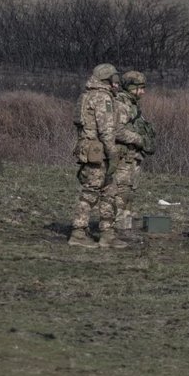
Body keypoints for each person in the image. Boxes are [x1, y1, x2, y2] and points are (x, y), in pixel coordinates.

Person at [68, 63, 123, 248]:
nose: (117, 83)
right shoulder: (102, 97)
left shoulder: (87, 95)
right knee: (91, 192)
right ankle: (78, 232)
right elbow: (106, 131)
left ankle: (107, 233)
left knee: (109, 191)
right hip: (98, 153)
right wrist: (113, 154)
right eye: (114, 79)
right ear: (107, 79)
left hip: (91, 150)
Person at [103, 70, 155, 238]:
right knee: (121, 191)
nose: (143, 92)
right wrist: (139, 139)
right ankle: (117, 227)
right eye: (140, 88)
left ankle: (124, 224)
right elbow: (117, 131)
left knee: (130, 191)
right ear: (131, 88)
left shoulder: (132, 104)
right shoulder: (122, 104)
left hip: (132, 156)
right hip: (123, 156)